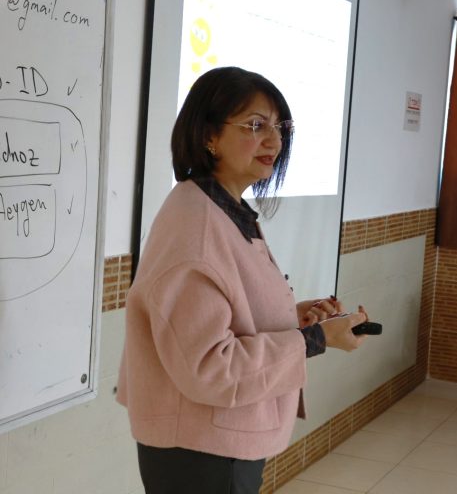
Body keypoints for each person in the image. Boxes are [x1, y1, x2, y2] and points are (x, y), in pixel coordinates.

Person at [116, 66, 369, 494]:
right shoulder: (196, 228)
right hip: (201, 452)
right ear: (209, 137)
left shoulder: (222, 208)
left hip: (218, 441)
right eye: (255, 126)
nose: (274, 141)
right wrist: (317, 339)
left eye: (279, 127)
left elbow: (223, 312)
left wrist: (294, 316)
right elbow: (211, 366)